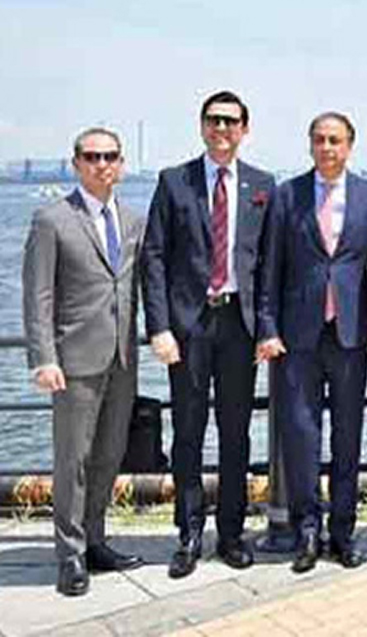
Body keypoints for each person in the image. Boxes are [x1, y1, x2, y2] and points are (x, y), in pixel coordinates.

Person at [141, 91, 276, 578]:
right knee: (188, 433)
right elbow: (154, 257)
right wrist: (159, 327)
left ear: (245, 129)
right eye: (214, 120)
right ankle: (189, 533)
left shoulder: (263, 185)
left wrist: (267, 329)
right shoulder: (174, 181)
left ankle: (232, 533)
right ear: (201, 126)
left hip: (240, 327)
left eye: (230, 121)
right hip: (189, 327)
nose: (222, 129)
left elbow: (268, 264)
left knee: (236, 433)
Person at [255, 112, 367, 573]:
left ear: (350, 146)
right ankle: (306, 530)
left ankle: (343, 532)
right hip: (296, 338)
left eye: (336, 140)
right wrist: (267, 328)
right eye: (320, 140)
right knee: (301, 435)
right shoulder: (286, 195)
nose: (327, 148)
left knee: (348, 438)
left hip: (350, 336)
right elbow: (269, 267)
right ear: (310, 145)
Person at [23, 128, 145, 596]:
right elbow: (38, 295)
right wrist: (43, 358)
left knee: (109, 455)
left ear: (121, 164)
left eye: (110, 156)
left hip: (122, 359)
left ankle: (95, 540)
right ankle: (70, 555)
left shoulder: (132, 221)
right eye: (91, 157)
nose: (101, 164)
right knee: (72, 460)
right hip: (73, 361)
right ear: (76, 164)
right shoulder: (52, 220)